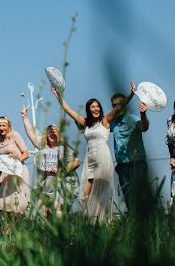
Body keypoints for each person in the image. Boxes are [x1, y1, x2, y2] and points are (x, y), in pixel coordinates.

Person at [54, 82, 136, 223]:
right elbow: (68, 110)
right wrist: (58, 95)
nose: (96, 108)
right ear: (88, 109)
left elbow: (119, 108)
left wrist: (131, 94)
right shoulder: (85, 123)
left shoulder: (105, 121)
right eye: (93, 107)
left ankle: (104, 222)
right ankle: (91, 221)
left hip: (102, 157)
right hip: (90, 159)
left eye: (98, 106)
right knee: (84, 196)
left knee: (101, 193)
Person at [20, 106, 81, 217]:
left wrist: (60, 170)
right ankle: (46, 233)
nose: (52, 133)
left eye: (55, 132)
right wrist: (25, 117)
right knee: (43, 210)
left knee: (56, 207)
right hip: (47, 185)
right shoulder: (43, 147)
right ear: (46, 136)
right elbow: (32, 135)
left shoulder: (64, 148)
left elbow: (76, 162)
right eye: (49, 132)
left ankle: (62, 232)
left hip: (62, 183)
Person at [110, 89, 150, 215]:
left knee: (139, 198)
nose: (116, 107)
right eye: (113, 105)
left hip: (136, 165)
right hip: (122, 167)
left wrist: (143, 114)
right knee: (128, 200)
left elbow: (144, 127)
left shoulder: (133, 119)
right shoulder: (113, 123)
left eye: (119, 104)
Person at [0, 116, 31, 215]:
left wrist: (16, 161)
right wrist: (1, 176)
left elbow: (26, 153)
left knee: (17, 205)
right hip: (7, 173)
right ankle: (8, 228)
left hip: (19, 171)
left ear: (8, 126)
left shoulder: (15, 135)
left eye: (4, 126)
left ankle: (16, 228)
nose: (1, 128)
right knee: (3, 204)